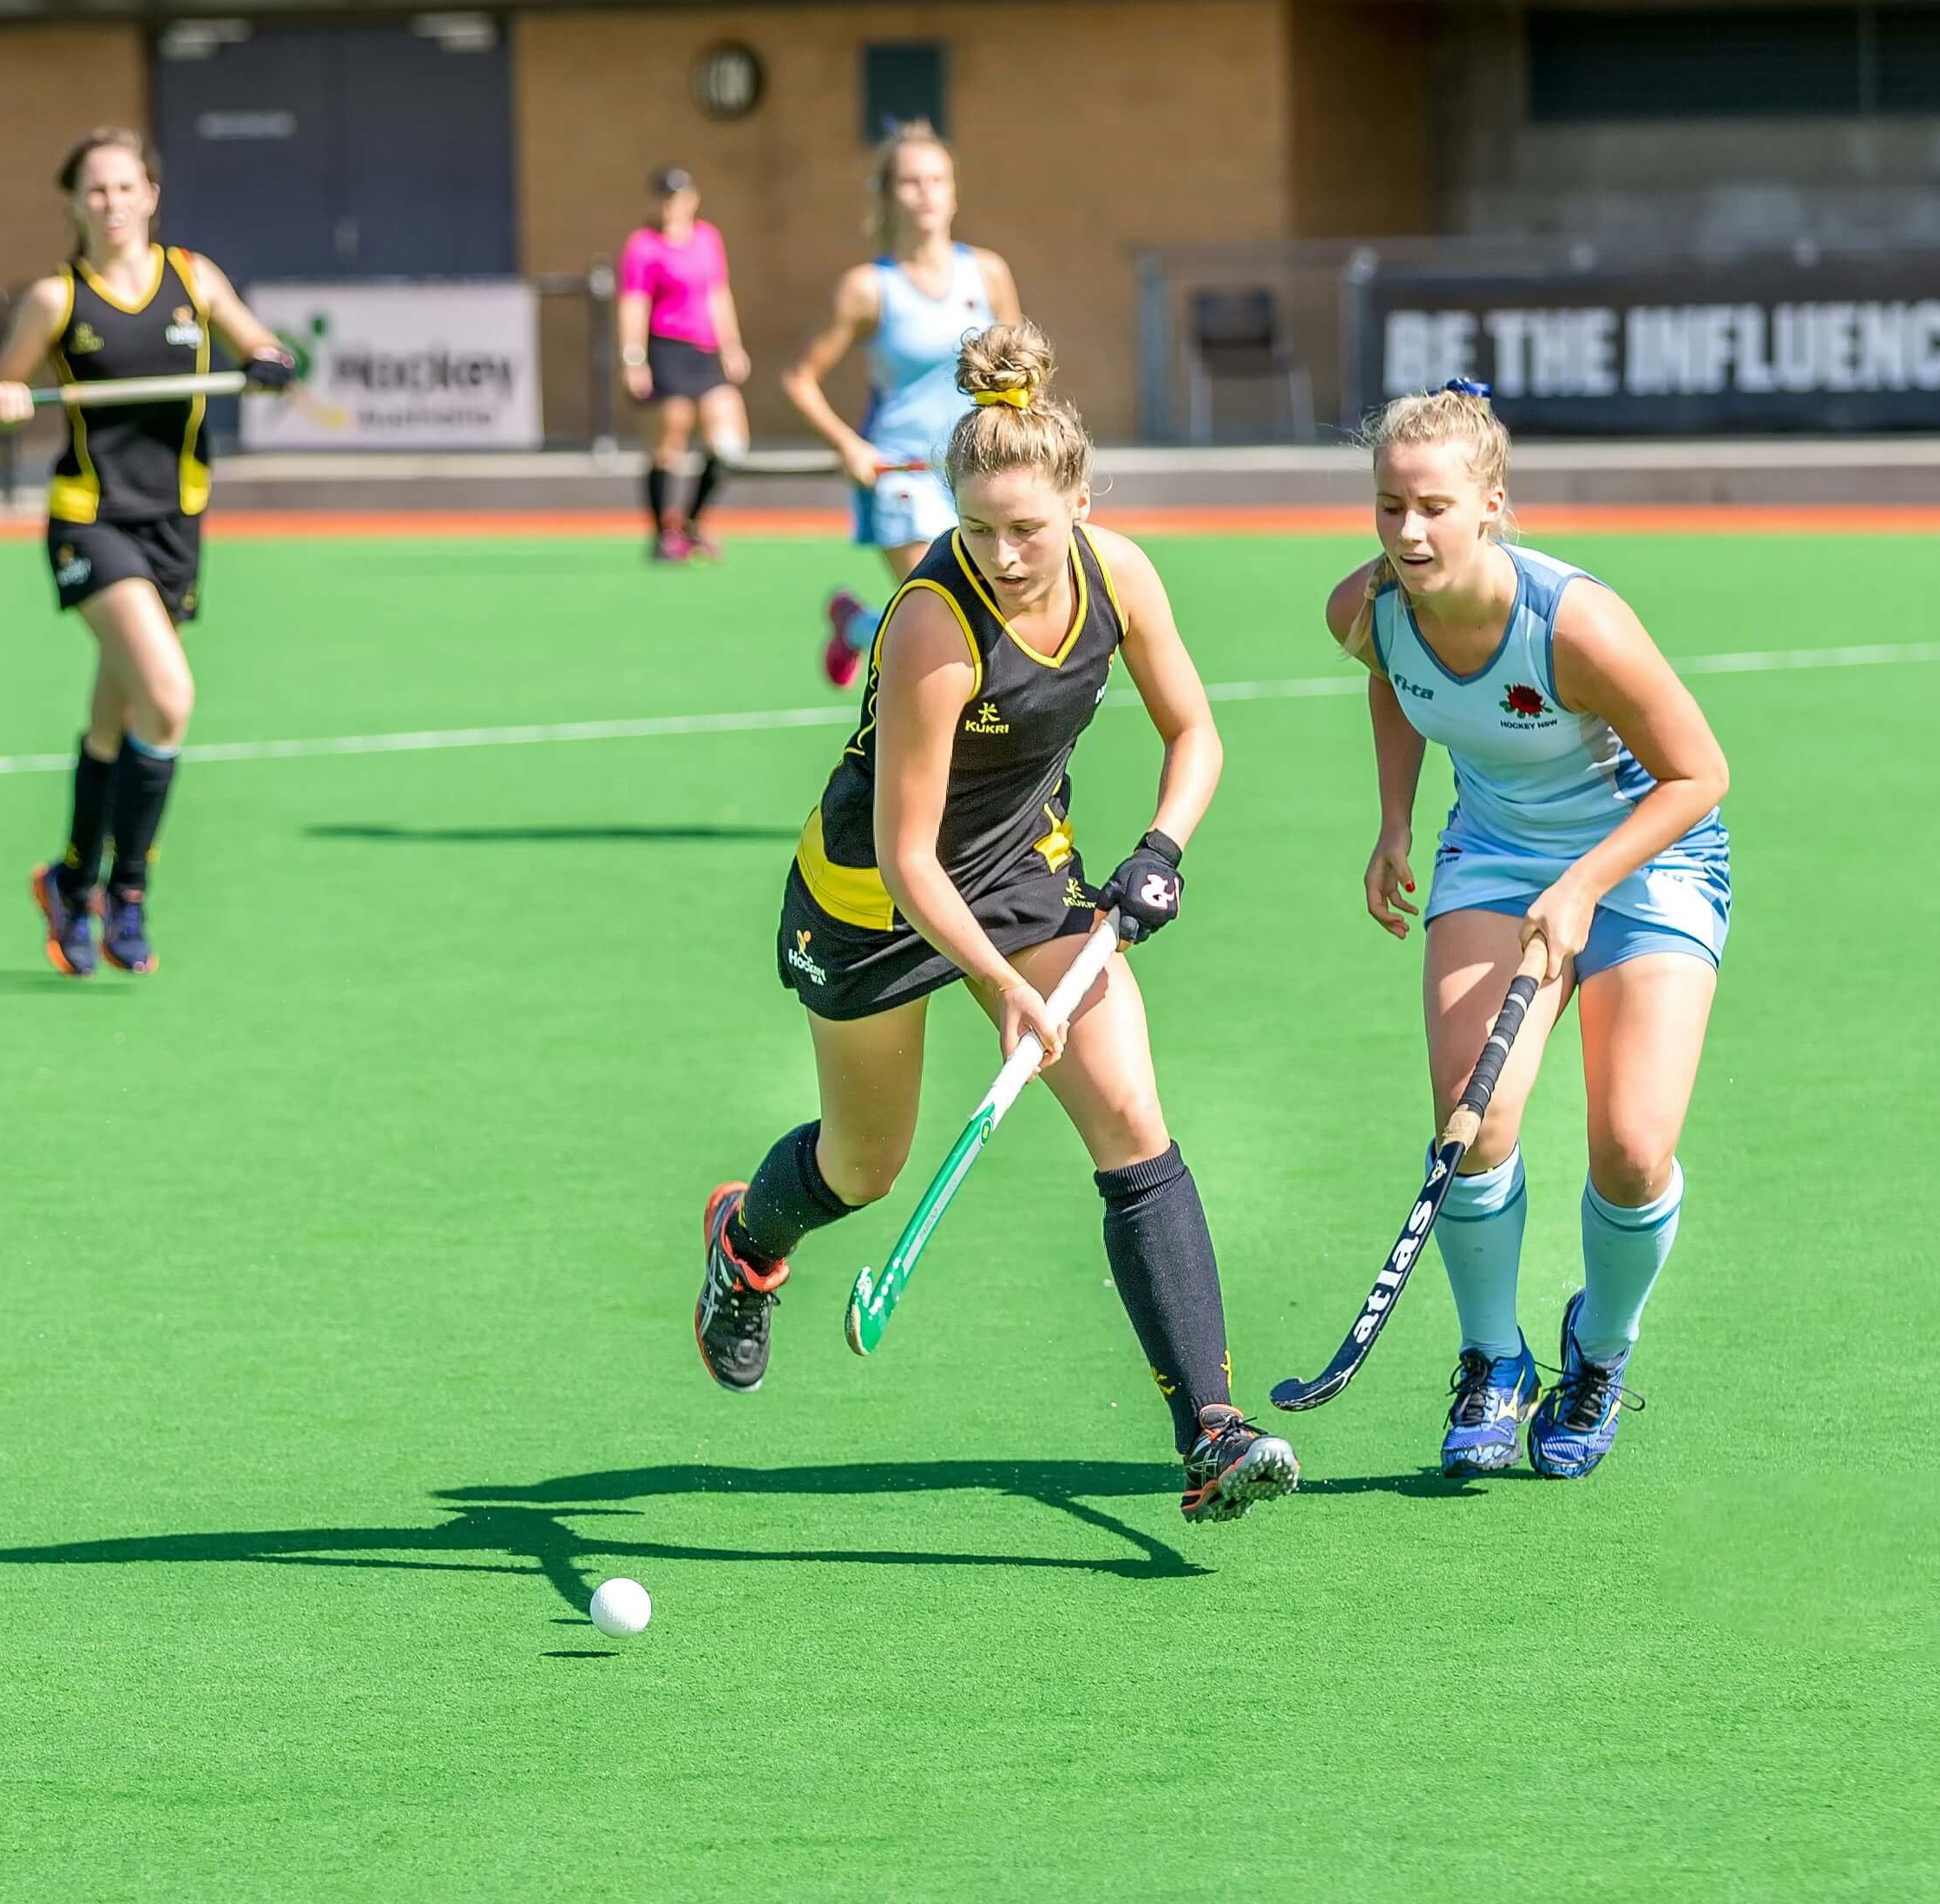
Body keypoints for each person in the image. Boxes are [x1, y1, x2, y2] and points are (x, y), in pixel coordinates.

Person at [697, 321, 1298, 1526]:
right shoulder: (933, 622)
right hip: (875, 898)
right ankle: (745, 1244)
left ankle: (1211, 1432)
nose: (1008, 554)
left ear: (1078, 497)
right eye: (980, 529)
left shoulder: (1120, 575)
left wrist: (1161, 852)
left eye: (1029, 527)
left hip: (1022, 869)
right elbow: (911, 857)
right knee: (864, 1165)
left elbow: (1197, 736)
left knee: (1130, 1114)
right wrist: (1010, 990)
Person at [1323, 379, 1733, 1481]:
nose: (1408, 533)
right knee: (1474, 1122)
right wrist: (1395, 821)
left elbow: (1699, 775)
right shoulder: (1365, 608)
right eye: (1387, 507)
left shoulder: (1573, 623)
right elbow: (1390, 680)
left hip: (1648, 859)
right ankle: (1492, 1358)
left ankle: (1596, 1352)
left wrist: (1587, 883)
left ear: (1491, 505)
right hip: (1496, 855)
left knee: (1632, 1148)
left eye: (1433, 508)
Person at [0, 128, 296, 978]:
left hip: (176, 523)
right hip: (92, 518)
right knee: (169, 694)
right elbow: (5, 390)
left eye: (126, 188)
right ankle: (127, 892)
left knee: (114, 724)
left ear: (150, 194)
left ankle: (69, 883)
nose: (112, 204)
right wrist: (7, 398)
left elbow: (260, 346)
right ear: (73, 202)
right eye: (95, 190)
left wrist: (270, 360)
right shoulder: (55, 298)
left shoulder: (195, 279)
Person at [781, 121, 1022, 687]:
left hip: (975, 472)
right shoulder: (868, 287)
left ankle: (858, 625)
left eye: (937, 179)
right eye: (912, 182)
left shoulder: (987, 272)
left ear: (954, 190)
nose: (927, 192)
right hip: (901, 474)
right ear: (889, 195)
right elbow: (798, 378)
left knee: (981, 613)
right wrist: (849, 445)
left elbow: (1018, 365)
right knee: (949, 615)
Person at [618, 166, 751, 562]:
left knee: (729, 442)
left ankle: (691, 522)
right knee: (671, 436)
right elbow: (634, 304)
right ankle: (663, 534)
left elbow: (718, 293)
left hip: (705, 349)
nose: (672, 206)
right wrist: (633, 357)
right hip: (666, 347)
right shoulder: (644, 246)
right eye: (664, 198)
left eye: (679, 197)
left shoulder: (708, 238)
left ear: (692, 199)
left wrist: (732, 345)